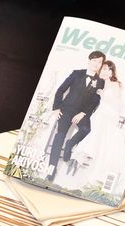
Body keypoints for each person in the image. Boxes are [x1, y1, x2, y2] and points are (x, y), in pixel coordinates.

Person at [70, 60, 125, 194]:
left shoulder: (115, 84)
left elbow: (118, 104)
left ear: (112, 72)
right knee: (94, 139)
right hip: (100, 114)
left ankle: (93, 173)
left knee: (102, 144)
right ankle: (83, 162)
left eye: (108, 69)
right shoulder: (99, 82)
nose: (105, 72)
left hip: (109, 116)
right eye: (103, 69)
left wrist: (103, 96)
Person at [45, 50, 106, 182]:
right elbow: (61, 90)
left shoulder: (100, 81)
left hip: (82, 112)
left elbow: (95, 100)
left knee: (86, 129)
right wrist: (56, 108)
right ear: (89, 60)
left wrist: (83, 113)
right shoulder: (76, 73)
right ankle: (51, 170)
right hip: (66, 109)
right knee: (59, 136)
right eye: (94, 60)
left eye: (99, 62)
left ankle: (70, 144)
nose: (96, 64)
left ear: (101, 65)